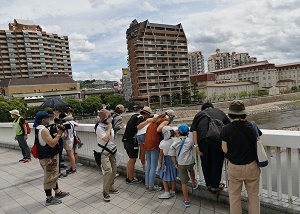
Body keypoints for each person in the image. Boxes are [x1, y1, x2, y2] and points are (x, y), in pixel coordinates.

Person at [220, 100, 261, 214]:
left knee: (234, 197)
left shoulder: (226, 129)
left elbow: (224, 149)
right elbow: (258, 142)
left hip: (234, 167)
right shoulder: (252, 126)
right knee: (254, 196)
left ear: (231, 115)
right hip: (252, 165)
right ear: (244, 113)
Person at [190, 102, 230, 194]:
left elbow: (194, 131)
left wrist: (196, 146)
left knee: (206, 162)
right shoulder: (220, 112)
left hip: (203, 141)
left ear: (202, 109)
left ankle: (209, 184)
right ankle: (215, 187)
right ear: (212, 107)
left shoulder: (199, 114)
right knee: (217, 163)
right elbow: (228, 126)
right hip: (217, 140)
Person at [33, 111, 69, 205]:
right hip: (48, 158)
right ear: (43, 119)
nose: (49, 119)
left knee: (53, 175)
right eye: (47, 118)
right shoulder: (43, 130)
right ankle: (49, 198)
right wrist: (59, 133)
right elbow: (52, 144)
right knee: (49, 177)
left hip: (47, 156)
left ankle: (57, 192)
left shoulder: (37, 128)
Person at [144, 109, 175, 192]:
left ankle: (147, 184)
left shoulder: (157, 119)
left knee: (149, 165)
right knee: (153, 165)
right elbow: (159, 129)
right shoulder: (165, 119)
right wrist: (169, 128)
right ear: (170, 116)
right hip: (154, 143)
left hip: (147, 142)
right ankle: (151, 186)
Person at [168, 124, 197, 207]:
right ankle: (194, 183)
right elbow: (190, 145)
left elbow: (172, 154)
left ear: (178, 132)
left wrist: (175, 163)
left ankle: (187, 200)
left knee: (183, 182)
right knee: (191, 171)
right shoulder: (190, 140)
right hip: (190, 162)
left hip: (181, 164)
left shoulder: (175, 142)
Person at [122, 106, 152, 184]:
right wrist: (147, 121)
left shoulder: (134, 116)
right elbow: (138, 127)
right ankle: (131, 179)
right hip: (132, 141)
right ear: (147, 114)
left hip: (126, 140)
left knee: (130, 160)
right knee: (133, 159)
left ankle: (129, 178)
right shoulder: (141, 118)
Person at [96, 109, 119, 201]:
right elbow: (105, 139)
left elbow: (112, 137)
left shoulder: (109, 126)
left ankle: (111, 187)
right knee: (108, 171)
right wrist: (109, 128)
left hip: (112, 151)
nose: (111, 118)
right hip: (104, 152)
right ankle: (105, 192)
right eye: (109, 116)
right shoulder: (99, 128)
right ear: (105, 118)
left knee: (114, 170)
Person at [157, 126, 178, 199]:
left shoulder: (162, 143)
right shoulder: (175, 140)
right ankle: (173, 190)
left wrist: (160, 162)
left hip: (165, 160)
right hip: (173, 159)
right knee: (173, 176)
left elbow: (160, 154)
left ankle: (166, 191)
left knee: (164, 176)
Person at [136, 106, 153, 171]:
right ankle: (148, 167)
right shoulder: (146, 118)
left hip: (138, 135)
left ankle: (143, 166)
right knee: (148, 151)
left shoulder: (139, 117)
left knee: (142, 151)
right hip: (144, 134)